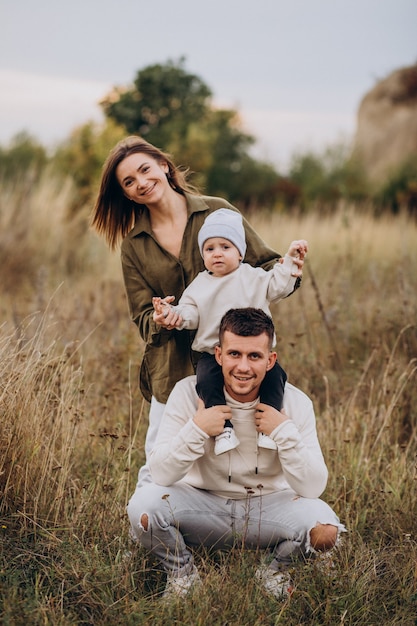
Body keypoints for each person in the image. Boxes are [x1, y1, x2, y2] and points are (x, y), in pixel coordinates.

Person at [91, 136, 305, 485]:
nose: (141, 183)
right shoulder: (133, 246)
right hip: (171, 366)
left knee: (241, 452)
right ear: (126, 194)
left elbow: (266, 266)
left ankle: (234, 523)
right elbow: (142, 317)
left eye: (145, 170)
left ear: (164, 165)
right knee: (161, 458)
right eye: (129, 182)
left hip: (238, 359)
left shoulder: (218, 212)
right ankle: (149, 525)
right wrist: (162, 318)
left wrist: (287, 271)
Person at [127, 308, 346, 601]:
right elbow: (162, 474)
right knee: (143, 508)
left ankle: (274, 571)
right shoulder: (186, 394)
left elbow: (313, 487)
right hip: (201, 505)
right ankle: (183, 576)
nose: (243, 367)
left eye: (254, 356)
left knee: (325, 530)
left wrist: (282, 431)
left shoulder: (295, 403)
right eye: (234, 354)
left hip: (265, 508)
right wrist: (198, 428)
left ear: (271, 360)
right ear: (218, 355)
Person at [152, 208, 308, 455]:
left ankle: (269, 427)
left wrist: (289, 261)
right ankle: (224, 430)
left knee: (276, 377)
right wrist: (171, 314)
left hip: (255, 353)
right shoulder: (200, 285)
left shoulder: (254, 277)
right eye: (210, 248)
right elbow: (189, 313)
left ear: (240, 252)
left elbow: (278, 285)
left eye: (225, 247)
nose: (217, 254)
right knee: (206, 381)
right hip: (215, 355)